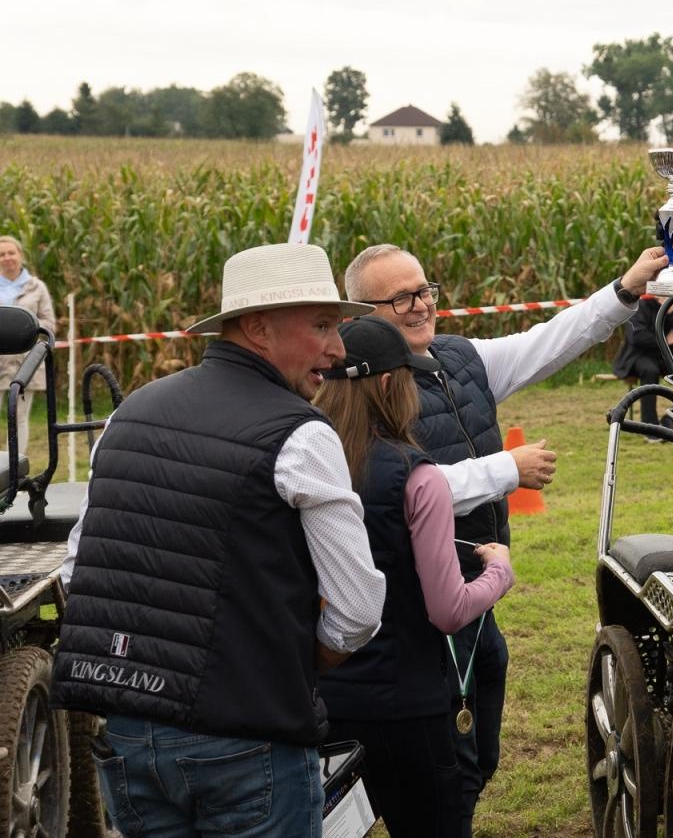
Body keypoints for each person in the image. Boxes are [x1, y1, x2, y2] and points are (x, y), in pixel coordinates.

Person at [52, 242, 387, 837]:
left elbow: (80, 571)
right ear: (258, 328)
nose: (338, 349)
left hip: (129, 738)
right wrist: (286, 664)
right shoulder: (302, 434)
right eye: (322, 326)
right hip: (248, 742)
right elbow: (357, 611)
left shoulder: (127, 416)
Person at [342, 242, 668, 835]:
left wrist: (626, 289)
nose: (420, 306)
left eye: (425, 290)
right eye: (400, 298)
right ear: (359, 313)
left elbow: (552, 339)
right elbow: (398, 488)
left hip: (473, 590)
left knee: (477, 741)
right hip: (415, 606)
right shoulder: (359, 389)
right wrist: (505, 471)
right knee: (442, 763)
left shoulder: (459, 358)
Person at [313, 316, 515, 838]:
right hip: (408, 709)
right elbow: (447, 610)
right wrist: (497, 573)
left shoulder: (301, 464)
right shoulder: (416, 476)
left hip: (322, 701)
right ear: (387, 384)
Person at [611, 294, 673, 431]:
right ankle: (650, 427)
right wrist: (664, 340)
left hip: (667, 355)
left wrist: (672, 312)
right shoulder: (640, 304)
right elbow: (637, 336)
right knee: (649, 370)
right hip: (640, 355)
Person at [0, 234, 55, 452]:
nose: (7, 258)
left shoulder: (37, 287)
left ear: (21, 255)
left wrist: (24, 328)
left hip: (26, 362)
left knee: (19, 417)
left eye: (11, 253)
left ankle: (15, 469)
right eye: (1, 254)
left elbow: (49, 323)